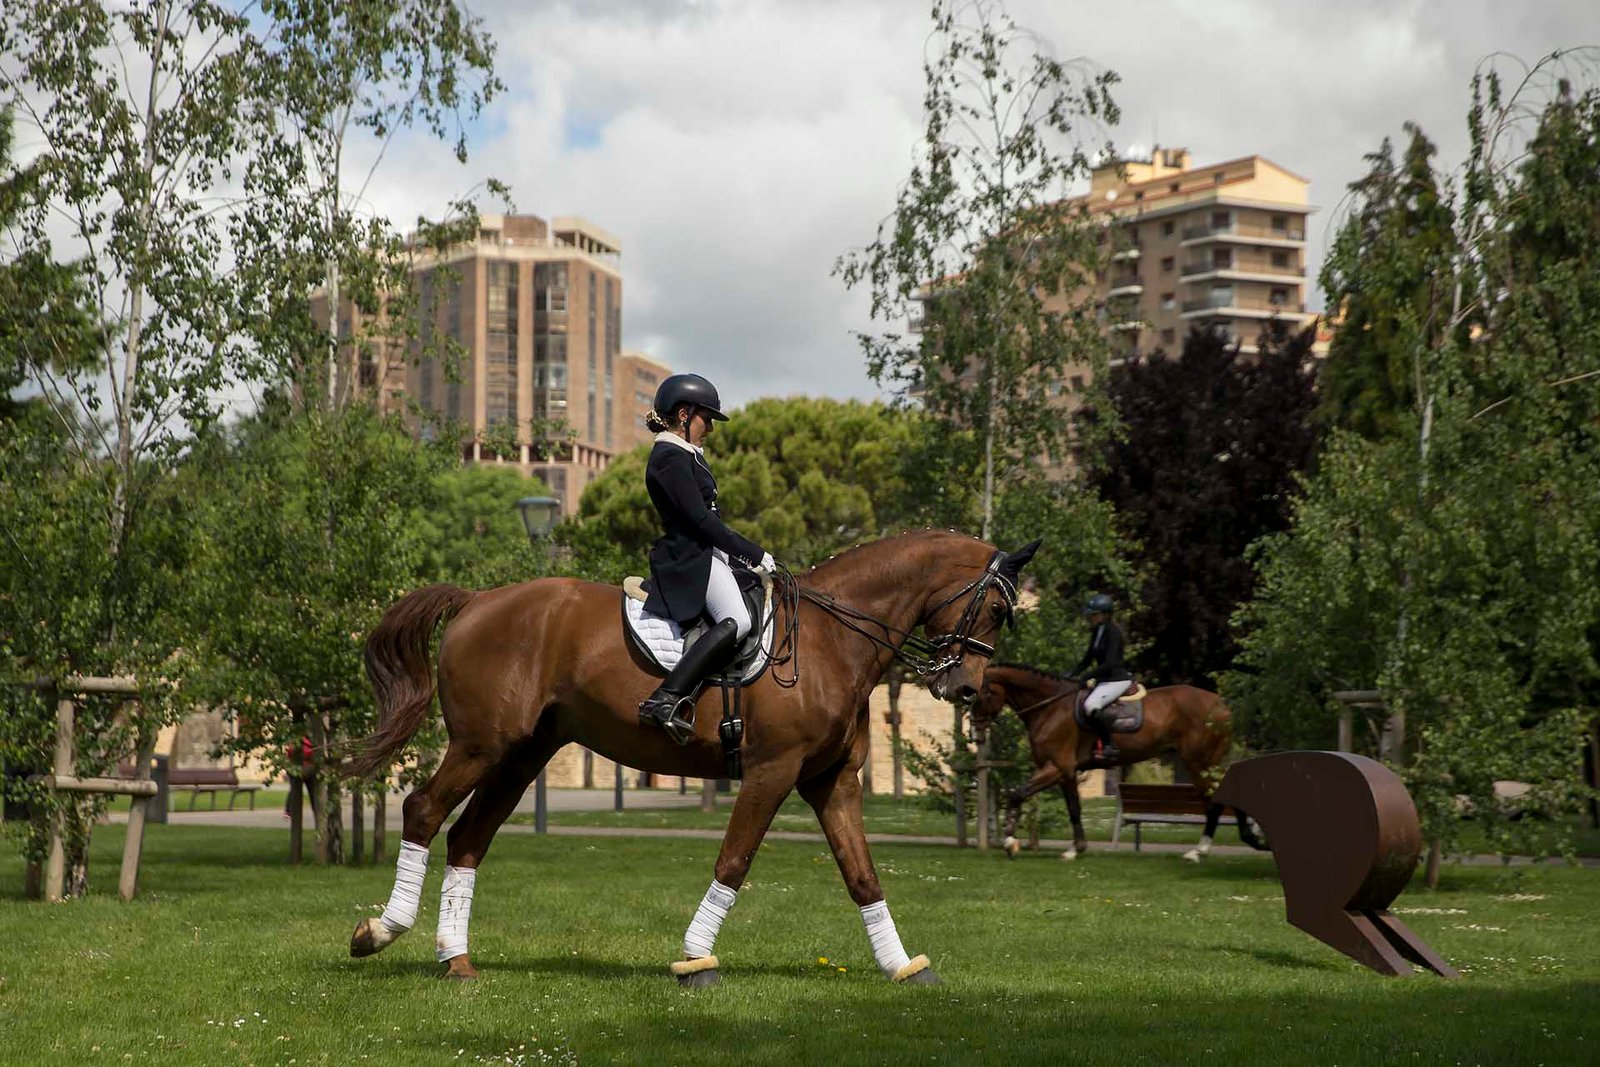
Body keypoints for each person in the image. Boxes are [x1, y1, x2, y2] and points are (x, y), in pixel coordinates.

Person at [637, 373, 776, 744]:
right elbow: (700, 519)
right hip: (688, 557)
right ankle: (665, 698)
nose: (711, 428)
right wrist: (753, 552)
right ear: (684, 415)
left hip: (707, 553)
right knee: (739, 621)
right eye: (707, 418)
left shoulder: (686, 455)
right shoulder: (668, 456)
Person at [1067, 593, 1131, 763]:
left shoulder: (1113, 632)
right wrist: (1070, 674)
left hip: (1116, 680)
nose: (1091, 618)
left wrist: (1087, 676)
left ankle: (1109, 745)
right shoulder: (1097, 631)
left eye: (1094, 615)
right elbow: (1088, 659)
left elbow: (1110, 663)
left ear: (1105, 615)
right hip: (1104, 681)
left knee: (1091, 705)